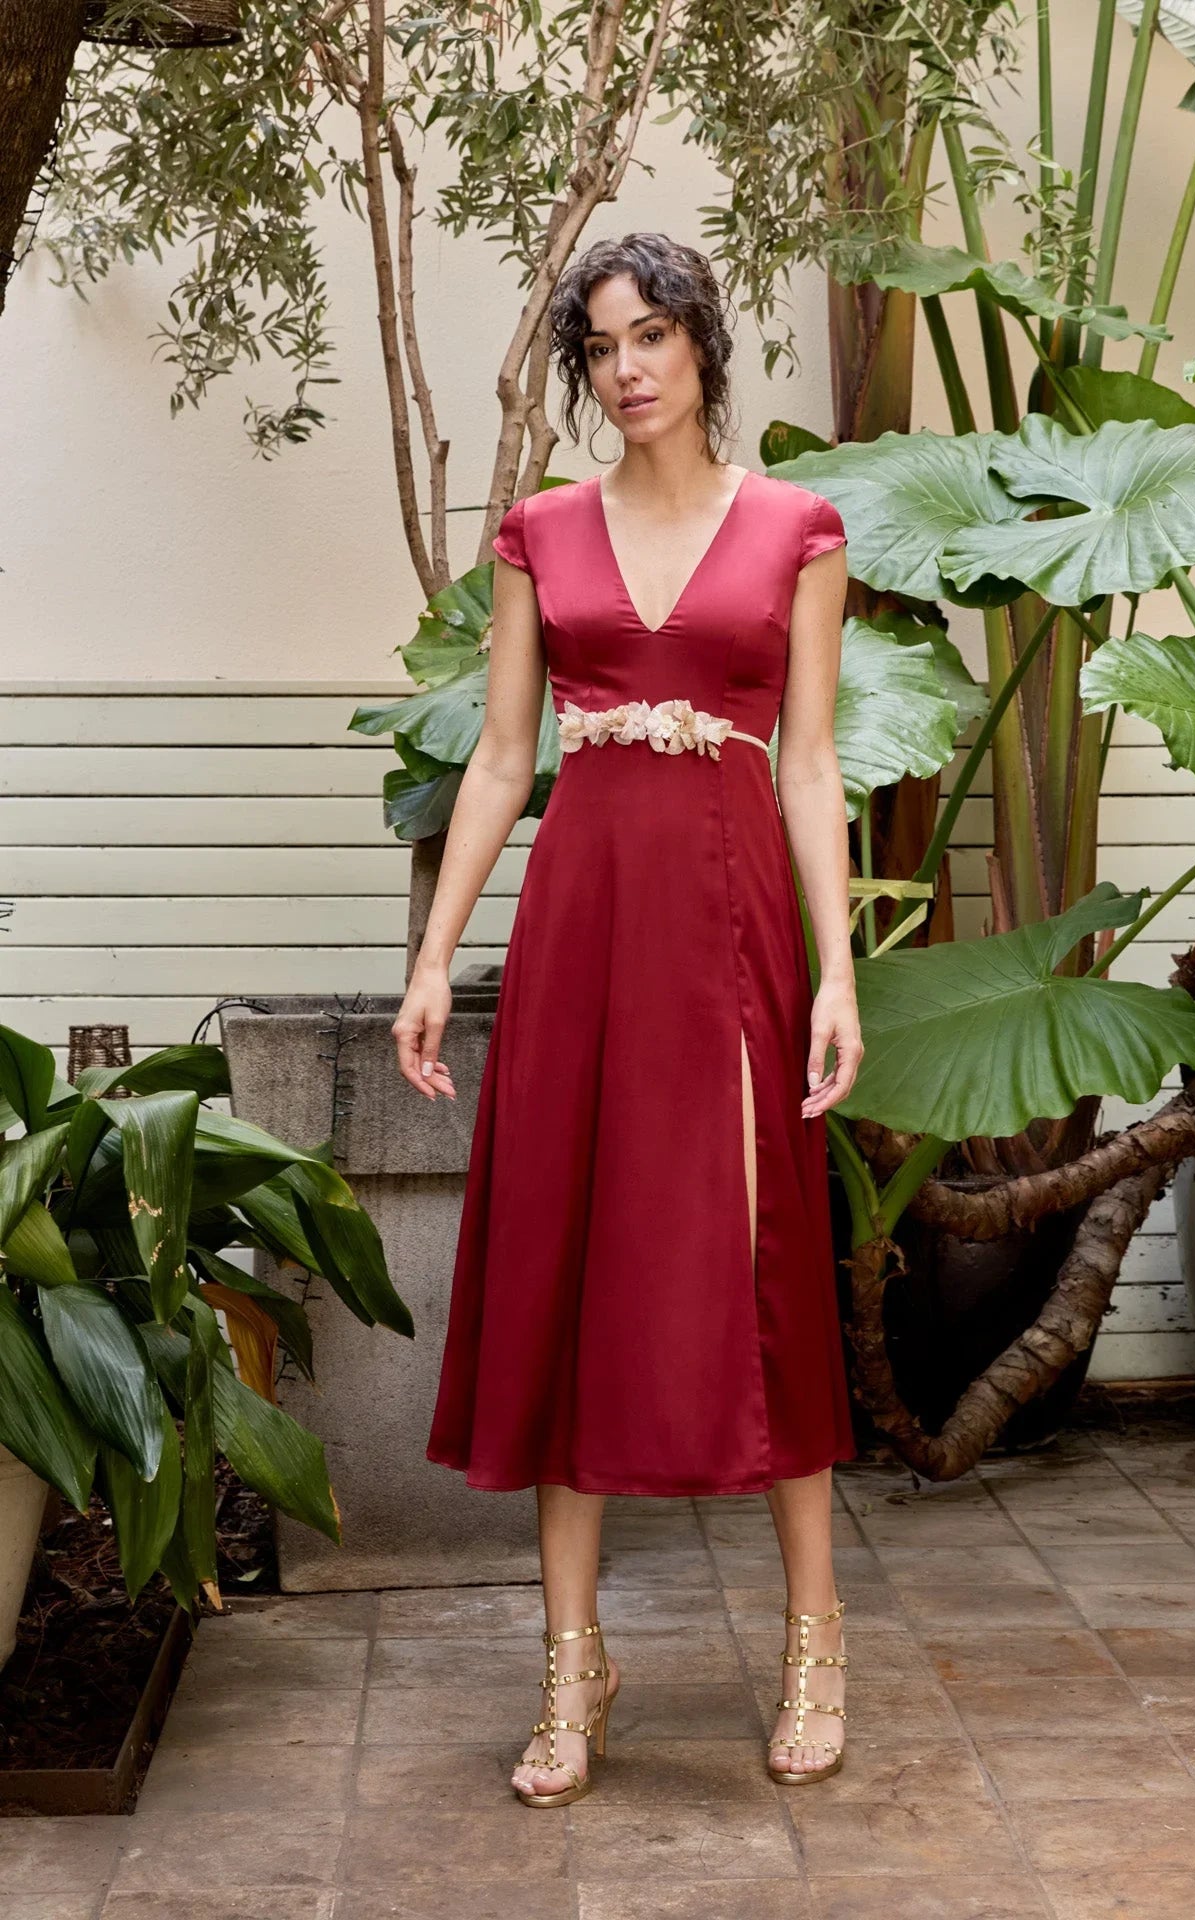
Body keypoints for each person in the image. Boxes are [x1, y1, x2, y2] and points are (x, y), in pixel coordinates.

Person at [393, 231, 863, 1808]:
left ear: (702, 345)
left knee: (764, 1264)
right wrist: (431, 963)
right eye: (600, 346)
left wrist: (838, 972)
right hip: (585, 930)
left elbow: (807, 762)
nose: (629, 366)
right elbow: (506, 758)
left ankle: (815, 1639)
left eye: (653, 334)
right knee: (570, 1272)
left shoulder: (799, 527)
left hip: (733, 937)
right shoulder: (539, 531)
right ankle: (572, 1664)